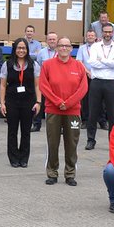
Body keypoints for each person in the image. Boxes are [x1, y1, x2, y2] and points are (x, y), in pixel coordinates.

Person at [39, 36, 87, 185]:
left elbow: (83, 88)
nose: (64, 48)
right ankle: (52, 173)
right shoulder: (48, 65)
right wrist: (58, 102)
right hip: (53, 110)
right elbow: (43, 86)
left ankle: (70, 174)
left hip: (72, 111)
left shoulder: (78, 66)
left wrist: (69, 103)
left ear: (71, 49)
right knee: (52, 143)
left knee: (71, 143)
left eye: (67, 46)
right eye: (61, 45)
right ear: (57, 48)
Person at [0, 38, 41, 168]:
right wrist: (2, 103)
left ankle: (24, 158)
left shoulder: (34, 65)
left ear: (27, 50)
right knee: (12, 131)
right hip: (12, 102)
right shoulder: (7, 64)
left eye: (23, 48)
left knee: (26, 131)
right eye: (19, 48)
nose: (21, 50)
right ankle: (13, 158)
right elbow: (2, 86)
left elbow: (37, 85)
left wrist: (38, 102)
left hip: (28, 102)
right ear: (14, 49)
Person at [83, 22, 114, 150]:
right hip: (97, 82)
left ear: (113, 33)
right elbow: (92, 62)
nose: (107, 34)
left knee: (112, 114)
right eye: (105, 31)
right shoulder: (95, 46)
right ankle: (90, 140)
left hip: (111, 82)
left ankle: (113, 141)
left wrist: (102, 60)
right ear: (101, 33)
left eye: (110, 32)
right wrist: (109, 63)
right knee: (93, 112)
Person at [31, 32, 59, 133]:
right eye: (50, 39)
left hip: (57, 81)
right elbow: (38, 65)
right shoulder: (41, 52)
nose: (52, 41)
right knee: (39, 101)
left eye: (54, 39)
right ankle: (36, 124)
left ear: (57, 40)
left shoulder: (61, 52)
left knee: (56, 103)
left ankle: (58, 126)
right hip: (44, 81)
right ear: (46, 41)